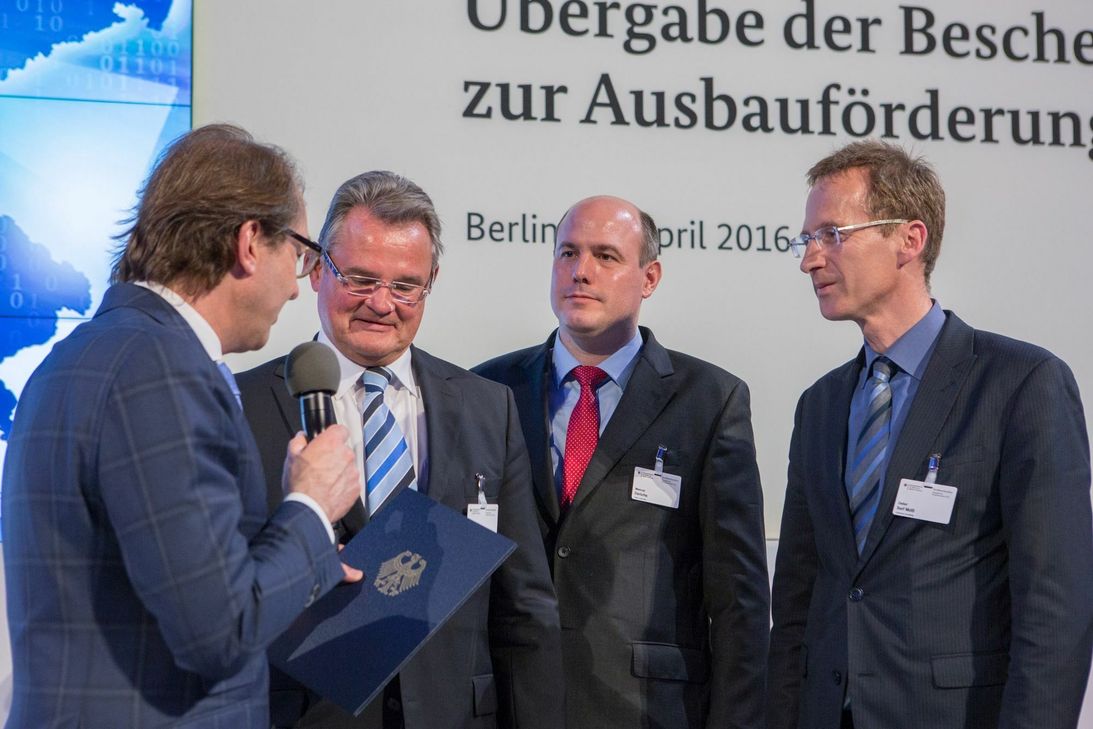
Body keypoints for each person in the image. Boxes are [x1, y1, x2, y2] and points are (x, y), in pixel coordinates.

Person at [1, 124, 362, 728]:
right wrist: (310, 507)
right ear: (250, 243)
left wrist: (306, 553)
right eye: (300, 255)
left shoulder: (90, 352)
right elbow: (219, 630)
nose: (297, 290)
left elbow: (162, 581)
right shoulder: (158, 370)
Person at [767, 139, 1093, 729]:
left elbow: (1057, 608)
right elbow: (796, 600)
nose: (810, 260)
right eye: (807, 240)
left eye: (832, 235)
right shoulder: (819, 406)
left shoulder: (1022, 385)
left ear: (908, 240)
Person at [237, 170, 564, 729]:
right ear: (317, 269)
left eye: (405, 286)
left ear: (431, 282)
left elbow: (524, 607)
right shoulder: (240, 405)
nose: (382, 304)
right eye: (361, 279)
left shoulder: (489, 408)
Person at [473, 195, 769, 729]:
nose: (580, 272)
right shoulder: (487, 390)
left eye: (606, 256)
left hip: (648, 708)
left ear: (649, 277)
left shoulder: (709, 399)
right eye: (568, 253)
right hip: (509, 699)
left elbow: (738, 598)